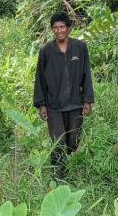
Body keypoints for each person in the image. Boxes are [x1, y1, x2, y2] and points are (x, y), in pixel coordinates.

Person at [33, 11, 94, 178]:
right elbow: (40, 78)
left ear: (68, 28)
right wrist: (41, 104)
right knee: (57, 142)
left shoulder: (80, 48)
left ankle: (72, 173)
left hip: (75, 103)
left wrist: (87, 100)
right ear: (52, 29)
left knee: (73, 141)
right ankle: (58, 177)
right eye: (55, 28)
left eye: (62, 27)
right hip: (54, 105)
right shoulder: (46, 51)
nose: (59, 31)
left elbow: (86, 74)